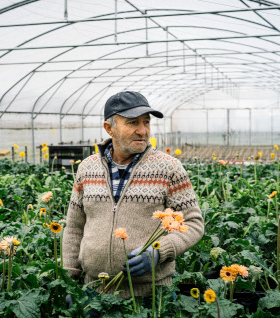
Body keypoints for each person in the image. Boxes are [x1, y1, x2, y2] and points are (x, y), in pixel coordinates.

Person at [63, 90, 204, 301]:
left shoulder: (169, 168)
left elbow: (193, 223)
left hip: (152, 296)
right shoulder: (86, 168)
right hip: (93, 293)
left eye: (146, 122)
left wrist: (158, 251)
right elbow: (74, 227)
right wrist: (69, 281)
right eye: (132, 123)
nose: (142, 130)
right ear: (109, 128)